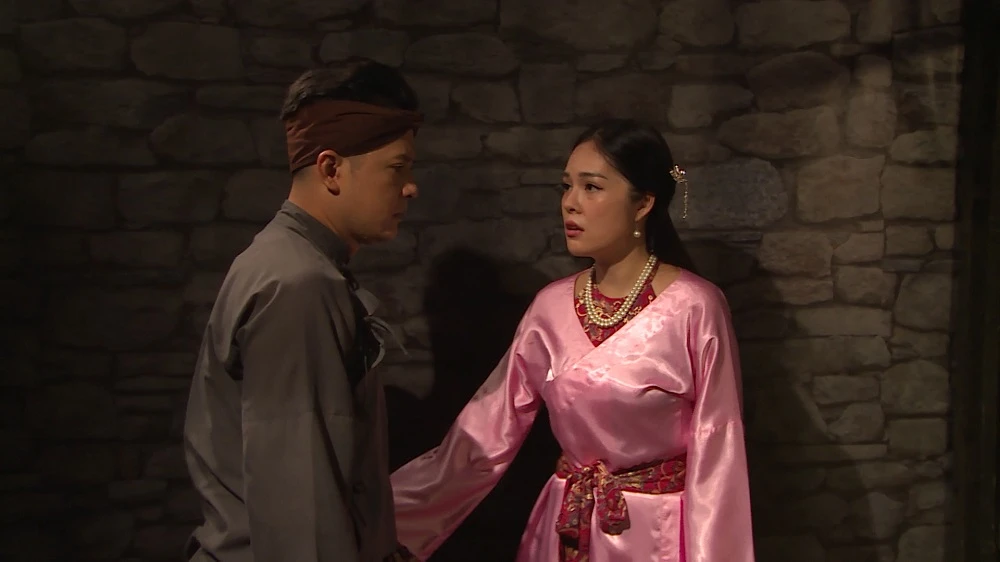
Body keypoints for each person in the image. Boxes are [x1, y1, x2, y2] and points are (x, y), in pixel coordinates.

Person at [390, 118, 755, 561]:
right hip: (566, 527)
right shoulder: (552, 307)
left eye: (591, 187)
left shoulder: (694, 307)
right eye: (566, 187)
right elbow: (486, 431)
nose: (570, 203)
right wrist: (382, 513)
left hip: (655, 534)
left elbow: (719, 446)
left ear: (643, 203)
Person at [182, 60, 423, 562]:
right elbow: (304, 514)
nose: (410, 187)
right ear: (332, 169)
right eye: (396, 168)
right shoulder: (299, 285)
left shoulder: (289, 264)